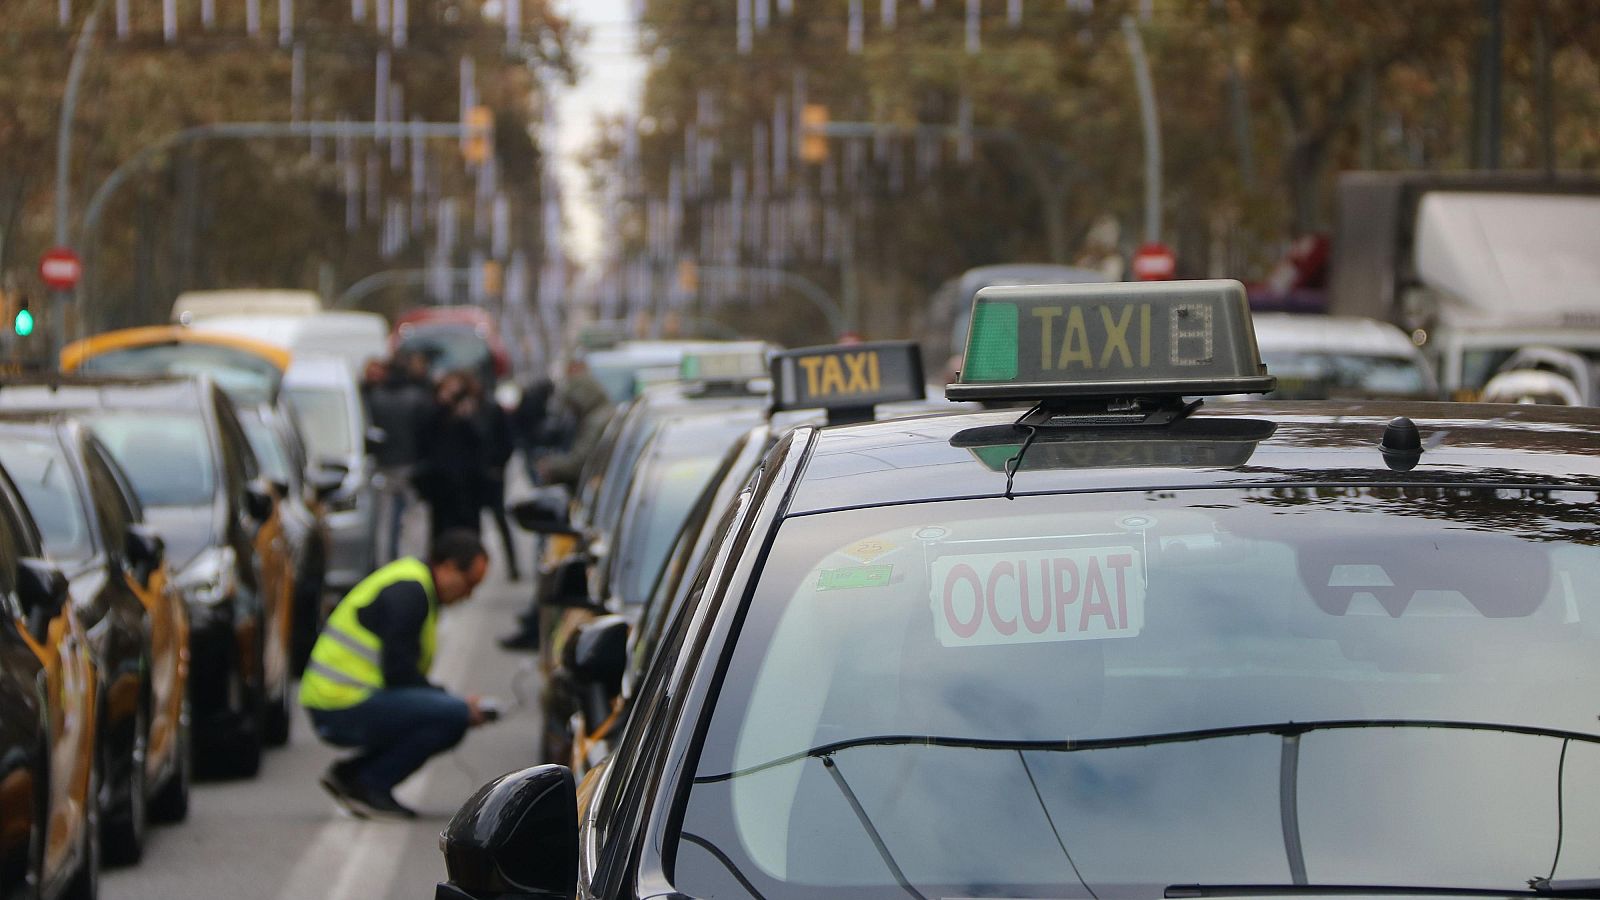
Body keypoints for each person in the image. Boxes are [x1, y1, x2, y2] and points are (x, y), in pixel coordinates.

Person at [300, 530, 491, 819]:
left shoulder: (415, 584)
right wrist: (459, 705)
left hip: (340, 699)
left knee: (450, 711)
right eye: (469, 584)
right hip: (341, 703)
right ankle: (369, 784)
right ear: (449, 567)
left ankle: (351, 775)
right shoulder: (410, 592)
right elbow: (399, 672)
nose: (468, 595)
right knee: (452, 716)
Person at [363, 353, 434, 563]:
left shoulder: (375, 397)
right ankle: (410, 560)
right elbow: (425, 434)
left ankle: (388, 560)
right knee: (412, 520)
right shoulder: (418, 397)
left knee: (386, 521)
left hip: (385, 465)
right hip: (410, 466)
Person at [413, 370, 490, 542]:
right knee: (442, 532)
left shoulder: (477, 409)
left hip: (469, 484)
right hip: (441, 483)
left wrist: (467, 416)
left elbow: (483, 439)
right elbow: (423, 436)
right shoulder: (433, 410)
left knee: (469, 531)